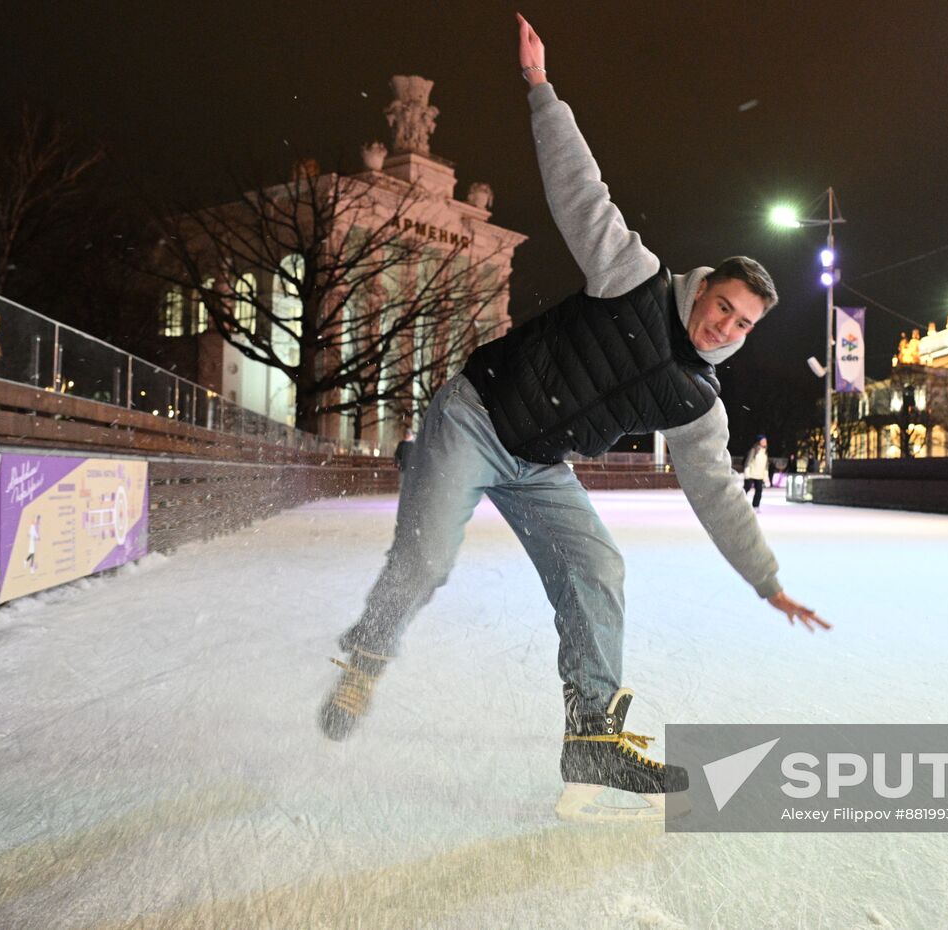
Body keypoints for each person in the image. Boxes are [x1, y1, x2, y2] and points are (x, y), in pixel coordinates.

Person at [320, 13, 829, 823]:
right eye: (723, 308)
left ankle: (591, 731)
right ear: (702, 289)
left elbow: (719, 494)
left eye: (743, 325)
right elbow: (580, 188)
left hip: (538, 465)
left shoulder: (699, 406)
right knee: (424, 560)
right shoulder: (631, 275)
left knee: (599, 568)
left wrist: (766, 581)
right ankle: (366, 654)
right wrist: (540, 89)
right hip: (476, 417)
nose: (725, 328)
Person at [742, 435, 769, 511]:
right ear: (759, 442)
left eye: (765, 441)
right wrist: (747, 473)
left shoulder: (765, 452)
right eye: (763, 441)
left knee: (759, 491)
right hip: (751, 474)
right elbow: (747, 462)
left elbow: (766, 466)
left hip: (759, 475)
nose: (765, 442)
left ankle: (755, 506)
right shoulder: (754, 450)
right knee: (746, 488)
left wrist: (766, 476)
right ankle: (739, 502)